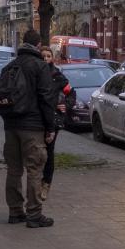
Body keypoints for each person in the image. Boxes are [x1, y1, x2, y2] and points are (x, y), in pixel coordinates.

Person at [0, 29, 56, 227]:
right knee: (34, 170)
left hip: (11, 125)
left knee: (13, 170)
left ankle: (15, 211)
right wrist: (50, 127)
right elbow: (47, 98)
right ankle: (34, 214)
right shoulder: (40, 67)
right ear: (38, 45)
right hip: (33, 126)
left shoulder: (10, 66)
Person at [39, 46, 77, 202]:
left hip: (53, 120)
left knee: (48, 152)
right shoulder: (36, 74)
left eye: (48, 56)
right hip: (38, 118)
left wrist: (66, 105)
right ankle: (36, 182)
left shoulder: (57, 76)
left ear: (52, 58)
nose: (46, 59)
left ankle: (46, 184)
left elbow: (71, 93)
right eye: (43, 56)